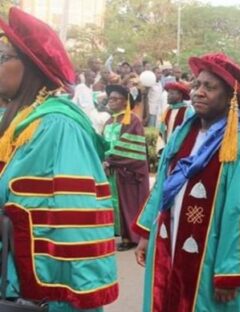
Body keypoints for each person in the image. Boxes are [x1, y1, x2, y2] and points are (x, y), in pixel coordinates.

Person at [133, 52, 240, 312]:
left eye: (209, 87)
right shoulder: (183, 134)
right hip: (170, 240)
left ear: (231, 98)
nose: (198, 92)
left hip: (213, 256)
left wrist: (230, 272)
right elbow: (163, 187)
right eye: (197, 85)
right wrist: (146, 231)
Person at [0, 7, 118, 310]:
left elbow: (74, 214)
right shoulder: (19, 120)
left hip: (45, 285)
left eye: (4, 57)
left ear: (31, 66)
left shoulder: (58, 125)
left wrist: (74, 290)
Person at [103, 84, 150, 251]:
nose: (112, 102)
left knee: (128, 203)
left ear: (125, 102)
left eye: (116, 99)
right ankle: (120, 233)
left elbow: (131, 148)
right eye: (110, 99)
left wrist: (110, 160)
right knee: (114, 202)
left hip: (127, 169)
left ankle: (131, 237)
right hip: (112, 169)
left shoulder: (132, 120)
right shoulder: (110, 120)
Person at [73, 69, 110, 133]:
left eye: (95, 77)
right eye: (92, 77)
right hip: (84, 113)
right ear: (87, 77)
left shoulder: (90, 88)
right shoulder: (80, 87)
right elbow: (74, 101)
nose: (94, 79)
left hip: (91, 112)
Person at [158, 82, 193, 147]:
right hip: (167, 146)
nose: (168, 95)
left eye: (171, 93)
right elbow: (162, 130)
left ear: (180, 95)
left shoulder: (188, 111)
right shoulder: (168, 110)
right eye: (168, 93)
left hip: (181, 147)